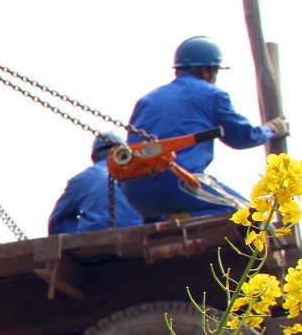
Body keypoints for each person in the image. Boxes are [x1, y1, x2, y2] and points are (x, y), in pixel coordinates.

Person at [120, 36, 289, 221]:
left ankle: (174, 220)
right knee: (249, 217)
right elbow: (243, 137)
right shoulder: (212, 95)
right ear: (206, 69)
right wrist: (272, 129)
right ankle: (185, 217)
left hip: (137, 193)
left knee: (159, 218)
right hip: (179, 183)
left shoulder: (147, 100)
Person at [48, 133, 143, 234]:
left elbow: (56, 220)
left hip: (95, 238)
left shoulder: (81, 179)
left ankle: (76, 242)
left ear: (94, 156)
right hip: (141, 234)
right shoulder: (142, 173)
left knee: (62, 219)